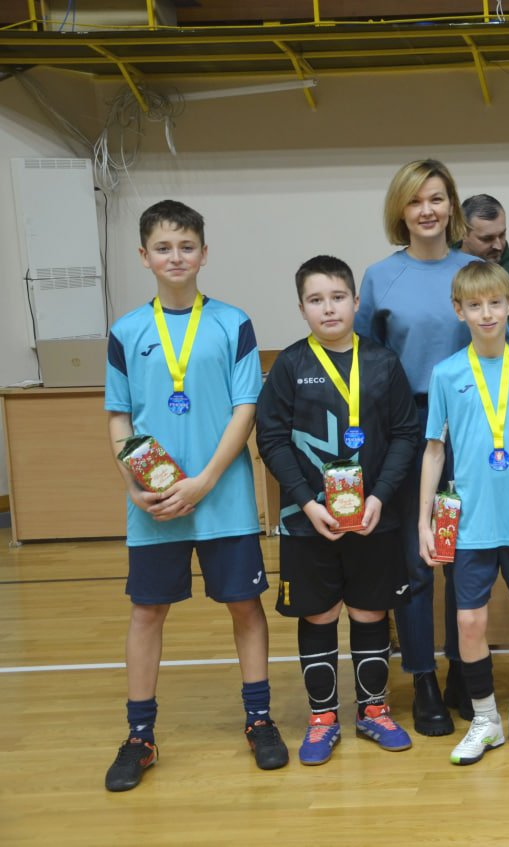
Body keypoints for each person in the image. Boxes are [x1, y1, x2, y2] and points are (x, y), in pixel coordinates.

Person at [103, 200, 286, 791]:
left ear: (204, 254)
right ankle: (140, 735)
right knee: (146, 611)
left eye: (186, 247)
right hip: (155, 504)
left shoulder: (232, 323)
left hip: (223, 495)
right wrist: (133, 486)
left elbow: (245, 408)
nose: (175, 257)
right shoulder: (126, 332)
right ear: (144, 256)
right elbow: (119, 416)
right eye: (164, 248)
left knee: (244, 605)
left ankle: (259, 720)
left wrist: (205, 479)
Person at [256, 255, 420, 765]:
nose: (328, 308)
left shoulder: (383, 363)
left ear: (355, 301)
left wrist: (379, 496)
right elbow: (271, 439)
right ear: (301, 308)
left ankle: (373, 711)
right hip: (308, 521)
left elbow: (405, 434)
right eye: (315, 300)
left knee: (371, 610)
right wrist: (307, 503)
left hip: (374, 517)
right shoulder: (289, 365)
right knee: (320, 612)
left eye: (337, 297)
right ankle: (322, 718)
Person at [355, 159, 481, 736]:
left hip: (470, 426)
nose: (427, 210)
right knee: (417, 557)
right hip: (407, 429)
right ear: (399, 210)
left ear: (451, 204)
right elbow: (364, 362)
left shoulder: (475, 271)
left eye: (436, 198)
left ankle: (463, 669)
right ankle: (423, 677)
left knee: (461, 553)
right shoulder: (381, 277)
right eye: (415, 200)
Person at [418, 262, 509, 765]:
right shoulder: (446, 374)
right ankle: (485, 720)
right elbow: (435, 450)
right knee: (469, 621)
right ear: (459, 310)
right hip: (469, 523)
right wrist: (423, 521)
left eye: (495, 303)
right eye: (474, 305)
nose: (486, 314)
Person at [458, 194, 509, 335]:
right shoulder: (444, 271)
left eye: (502, 235)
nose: (498, 245)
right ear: (462, 232)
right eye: (487, 239)